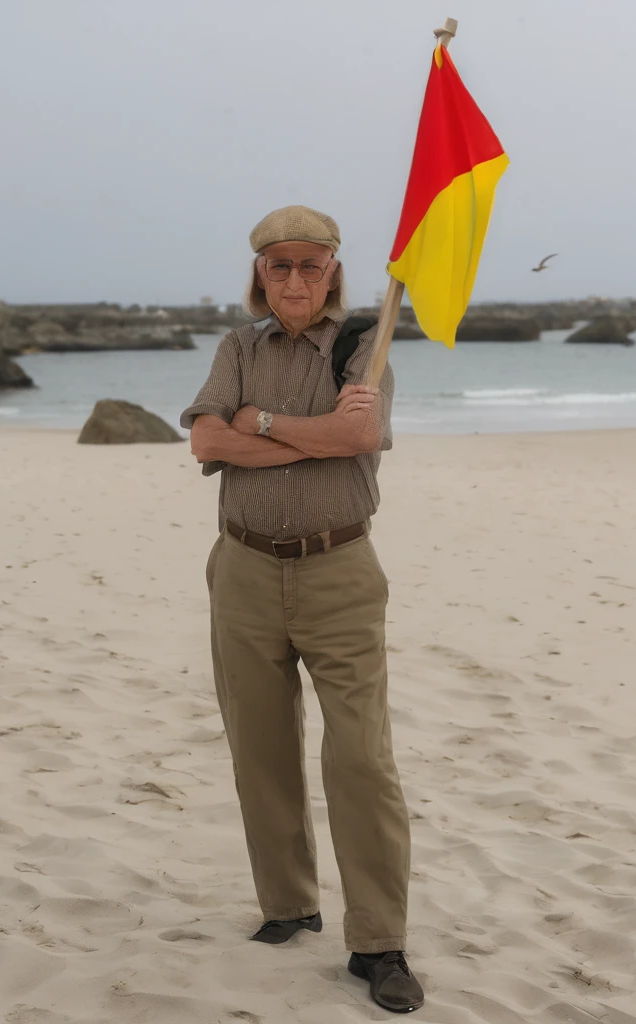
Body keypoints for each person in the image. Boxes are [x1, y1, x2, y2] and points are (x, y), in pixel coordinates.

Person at [180, 206, 424, 1013]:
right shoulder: (236, 348)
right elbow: (207, 443)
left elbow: (358, 439)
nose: (293, 280)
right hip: (243, 570)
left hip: (340, 571)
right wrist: (306, 431)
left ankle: (378, 942)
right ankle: (288, 905)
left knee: (360, 758)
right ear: (258, 274)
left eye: (309, 266)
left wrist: (265, 422)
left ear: (333, 273)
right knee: (260, 748)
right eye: (277, 266)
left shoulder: (365, 346)